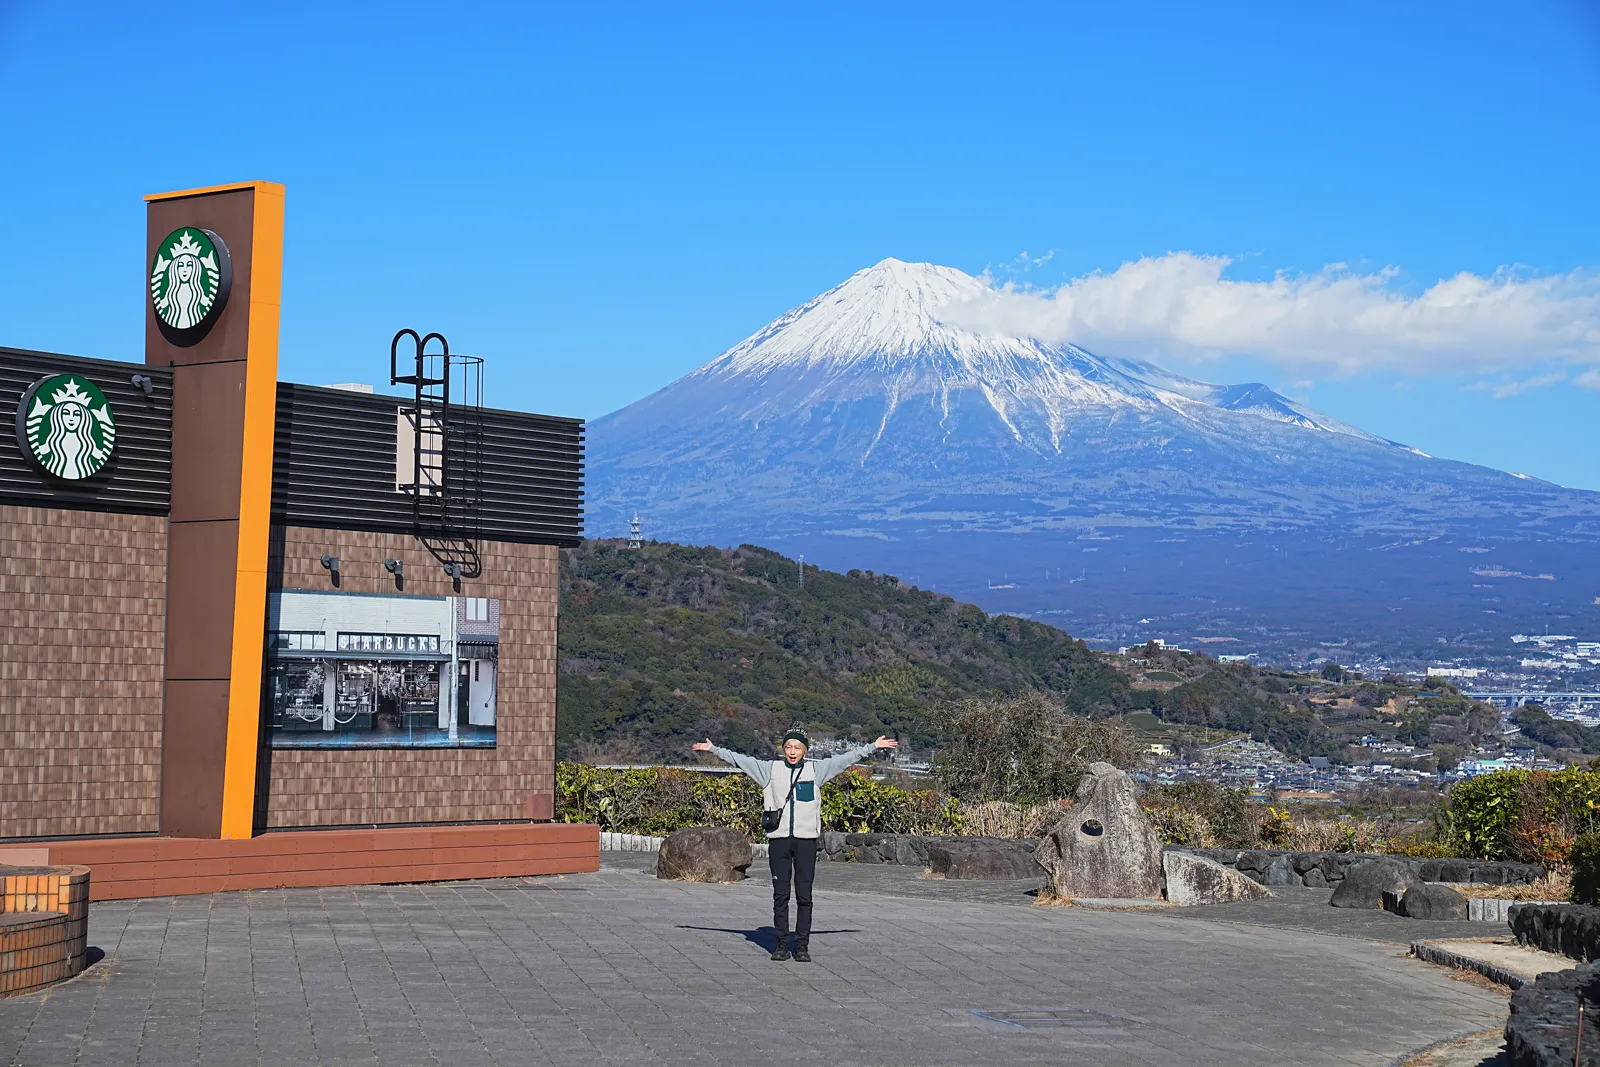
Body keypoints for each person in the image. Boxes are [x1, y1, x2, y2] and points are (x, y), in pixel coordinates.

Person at [693, 728, 898, 962]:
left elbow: (845, 759)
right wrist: (713, 749)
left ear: (805, 751)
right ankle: (781, 945)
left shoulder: (816, 770)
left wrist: (872, 746)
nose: (792, 752)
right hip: (779, 841)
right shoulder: (769, 770)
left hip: (806, 842)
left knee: (804, 895)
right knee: (780, 895)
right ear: (783, 749)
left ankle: (802, 946)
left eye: (797, 748)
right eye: (789, 747)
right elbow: (740, 760)